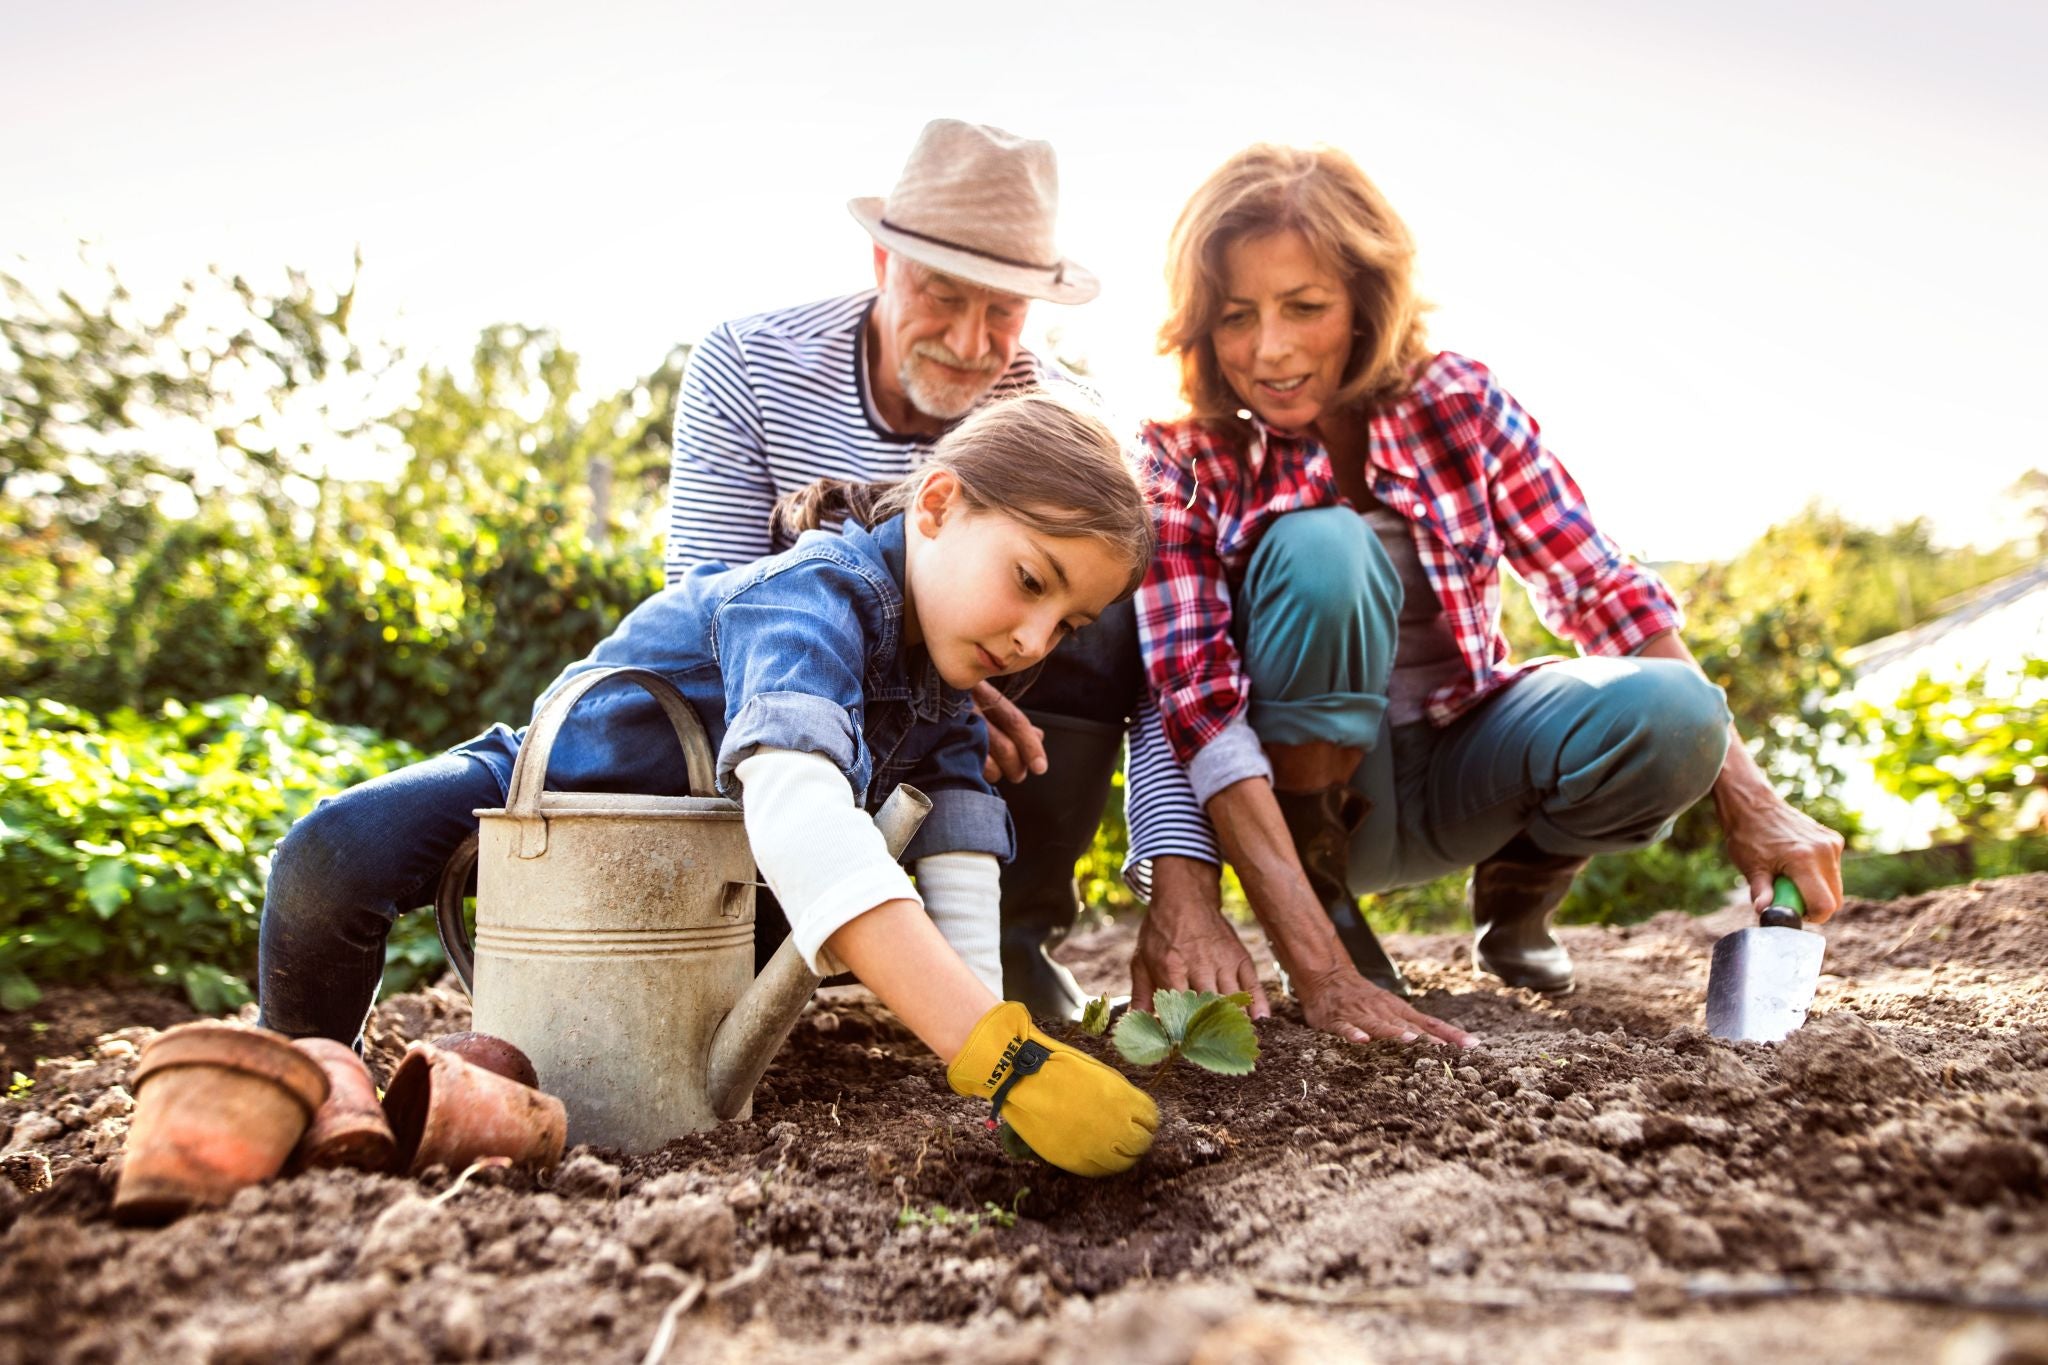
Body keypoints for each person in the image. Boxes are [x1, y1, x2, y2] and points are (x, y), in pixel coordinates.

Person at [257, 394, 1160, 1176]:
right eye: (1030, 580)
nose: (1036, 640)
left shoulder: (948, 692)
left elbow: (962, 867)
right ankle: (306, 1083)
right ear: (936, 504)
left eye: (1068, 623)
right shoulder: (812, 598)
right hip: (553, 793)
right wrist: (996, 1057)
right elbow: (800, 810)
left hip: (692, 889)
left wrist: (1001, 1046)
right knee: (333, 854)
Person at [1129, 144, 1846, 1047]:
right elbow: (1195, 710)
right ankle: (1329, 908)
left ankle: (1517, 893)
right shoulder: (1183, 456)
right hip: (1306, 805)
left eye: (1304, 307)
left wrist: (1753, 800)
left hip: (1466, 758)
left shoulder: (1458, 400)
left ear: (1363, 303)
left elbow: (1598, 588)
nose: (1269, 349)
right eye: (1237, 316)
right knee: (1324, 547)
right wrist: (1323, 973)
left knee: (1680, 714)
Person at [666, 117, 1214, 1018]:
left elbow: (1168, 673)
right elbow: (710, 595)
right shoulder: (749, 364)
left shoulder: (1067, 417)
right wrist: (924, 682)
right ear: (883, 266)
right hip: (792, 706)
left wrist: (1177, 884)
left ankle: (1007, 932)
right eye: (942, 293)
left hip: (959, 721)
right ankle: (762, 920)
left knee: (1090, 589)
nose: (969, 340)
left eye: (1003, 309)